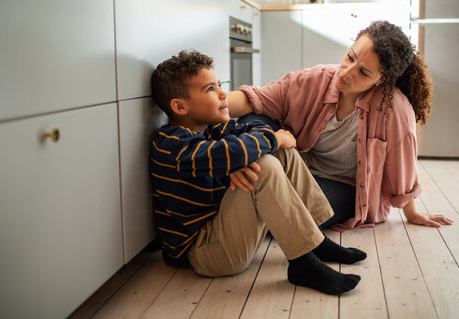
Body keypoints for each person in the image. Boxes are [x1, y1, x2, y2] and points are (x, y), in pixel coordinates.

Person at [149, 50, 368, 296]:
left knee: (278, 153)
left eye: (220, 85)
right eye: (210, 89)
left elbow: (254, 127)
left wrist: (243, 156)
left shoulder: (213, 130)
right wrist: (248, 152)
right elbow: (224, 154)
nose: (223, 94)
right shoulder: (171, 145)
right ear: (179, 106)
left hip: (227, 231)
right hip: (205, 253)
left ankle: (315, 240)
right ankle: (303, 263)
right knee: (265, 162)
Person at [228, 20, 453, 230]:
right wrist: (204, 106)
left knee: (300, 215)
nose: (347, 72)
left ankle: (250, 199)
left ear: (381, 80)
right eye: (350, 57)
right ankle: (249, 187)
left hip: (345, 187)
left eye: (363, 72)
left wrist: (411, 212)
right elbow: (253, 99)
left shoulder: (394, 109)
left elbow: (401, 164)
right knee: (250, 122)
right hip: (296, 169)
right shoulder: (314, 80)